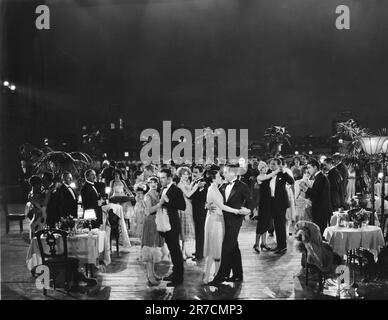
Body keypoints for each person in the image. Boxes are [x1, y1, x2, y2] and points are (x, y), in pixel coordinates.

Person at [207, 164, 252, 285]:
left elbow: (250, 201)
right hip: (222, 220)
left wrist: (247, 210)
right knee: (233, 248)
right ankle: (238, 275)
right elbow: (214, 200)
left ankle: (222, 276)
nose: (223, 174)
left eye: (226, 172)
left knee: (226, 247)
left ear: (233, 173)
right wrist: (207, 205)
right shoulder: (223, 185)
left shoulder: (242, 186)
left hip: (235, 220)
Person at [157, 168, 186, 287]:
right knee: (172, 251)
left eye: (163, 177)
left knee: (175, 251)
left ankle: (178, 278)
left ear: (169, 178)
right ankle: (175, 273)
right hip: (165, 223)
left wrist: (168, 201)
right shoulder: (162, 189)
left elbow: (183, 206)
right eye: (160, 178)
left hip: (173, 224)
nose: (161, 180)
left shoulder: (176, 189)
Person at [265, 158, 295, 254]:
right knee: (276, 225)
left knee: (280, 225)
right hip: (272, 202)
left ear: (279, 165)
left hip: (281, 203)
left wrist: (284, 172)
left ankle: (282, 246)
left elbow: (291, 182)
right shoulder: (269, 174)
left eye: (273, 164)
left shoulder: (283, 174)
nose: (271, 166)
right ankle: (279, 245)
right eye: (270, 164)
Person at [141, 176, 166, 285]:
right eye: (151, 182)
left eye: (155, 182)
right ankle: (150, 276)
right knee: (150, 248)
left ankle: (152, 273)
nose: (153, 184)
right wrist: (160, 204)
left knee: (154, 247)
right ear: (148, 183)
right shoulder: (148, 196)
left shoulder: (157, 193)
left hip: (156, 222)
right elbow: (148, 211)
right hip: (150, 222)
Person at [300, 159, 332, 235]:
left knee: (320, 231)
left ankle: (320, 246)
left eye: (309, 168)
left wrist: (305, 188)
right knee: (319, 231)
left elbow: (317, 194)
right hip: (320, 208)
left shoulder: (320, 177)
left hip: (321, 209)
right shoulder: (319, 177)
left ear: (315, 167)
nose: (308, 170)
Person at [189, 165, 208, 262]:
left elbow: (203, 196)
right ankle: (198, 251)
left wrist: (199, 188)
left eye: (196, 172)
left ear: (201, 173)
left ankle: (200, 254)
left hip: (201, 210)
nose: (194, 174)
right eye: (193, 172)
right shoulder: (195, 182)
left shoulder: (203, 182)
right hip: (196, 209)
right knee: (198, 231)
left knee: (200, 232)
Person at [253, 161, 273, 253]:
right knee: (261, 222)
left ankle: (263, 243)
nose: (266, 168)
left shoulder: (266, 175)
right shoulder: (260, 177)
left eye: (266, 167)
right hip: (263, 202)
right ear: (260, 169)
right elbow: (268, 177)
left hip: (268, 201)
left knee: (267, 222)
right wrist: (276, 171)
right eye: (264, 167)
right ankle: (256, 244)